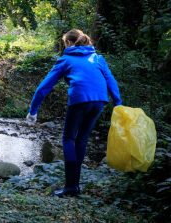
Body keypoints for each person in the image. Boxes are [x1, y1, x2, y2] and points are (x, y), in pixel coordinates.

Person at [26, 29, 122, 197]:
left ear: (69, 43)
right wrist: (118, 103)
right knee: (82, 139)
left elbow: (44, 86)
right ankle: (75, 186)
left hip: (80, 99)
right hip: (100, 100)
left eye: (65, 44)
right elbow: (111, 81)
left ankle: (71, 186)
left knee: (68, 138)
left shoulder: (65, 59)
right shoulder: (98, 58)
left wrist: (33, 111)